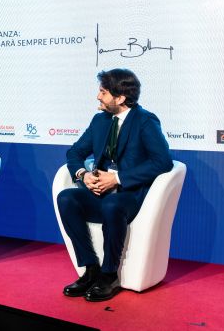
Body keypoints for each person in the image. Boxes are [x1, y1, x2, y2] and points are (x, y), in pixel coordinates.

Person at [56, 68, 172, 301]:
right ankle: (90, 269)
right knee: (66, 198)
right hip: (100, 194)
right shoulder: (100, 120)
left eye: (103, 92)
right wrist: (82, 175)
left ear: (120, 98)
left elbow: (162, 162)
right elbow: (75, 152)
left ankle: (109, 275)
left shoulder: (145, 121)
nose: (98, 96)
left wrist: (117, 179)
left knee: (112, 205)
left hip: (128, 196)